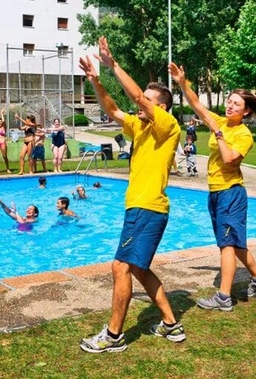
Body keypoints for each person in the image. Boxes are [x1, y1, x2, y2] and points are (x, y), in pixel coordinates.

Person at [78, 36, 185, 354]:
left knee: (120, 267)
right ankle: (170, 323)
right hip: (142, 207)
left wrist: (113, 65)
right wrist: (96, 81)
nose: (140, 105)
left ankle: (113, 336)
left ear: (160, 107)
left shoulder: (167, 125)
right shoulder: (140, 128)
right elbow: (112, 110)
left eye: (148, 103)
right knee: (137, 268)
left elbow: (137, 96)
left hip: (147, 206)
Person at [170, 62, 256, 312]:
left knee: (227, 244)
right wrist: (183, 82)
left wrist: (218, 133)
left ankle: (224, 297)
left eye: (236, 104)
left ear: (245, 111)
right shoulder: (220, 122)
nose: (230, 105)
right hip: (216, 192)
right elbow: (196, 105)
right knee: (234, 242)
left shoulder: (243, 134)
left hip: (231, 192)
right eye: (229, 100)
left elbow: (229, 159)